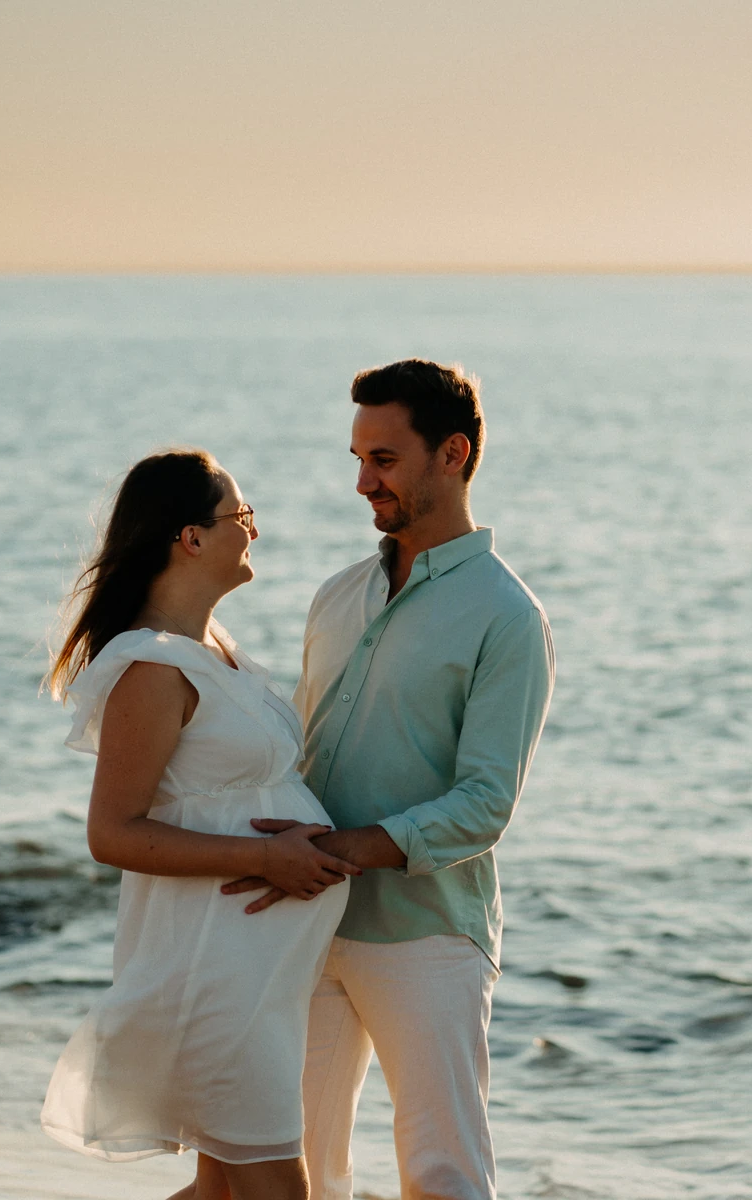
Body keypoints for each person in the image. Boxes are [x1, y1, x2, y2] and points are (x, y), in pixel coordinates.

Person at [222, 361, 556, 1200]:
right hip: (307, 923)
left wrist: (340, 850)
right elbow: (297, 755)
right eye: (358, 460)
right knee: (293, 1171)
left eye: (384, 460)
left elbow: (485, 805)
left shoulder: (508, 617)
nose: (364, 482)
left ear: (453, 453)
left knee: (443, 1177)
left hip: (428, 936)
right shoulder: (338, 595)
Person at [39, 449, 360, 1200]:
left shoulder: (214, 651)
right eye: (241, 515)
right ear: (191, 537)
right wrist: (266, 857)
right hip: (213, 976)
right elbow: (112, 832)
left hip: (255, 979)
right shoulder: (154, 669)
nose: (254, 530)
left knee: (221, 1192)